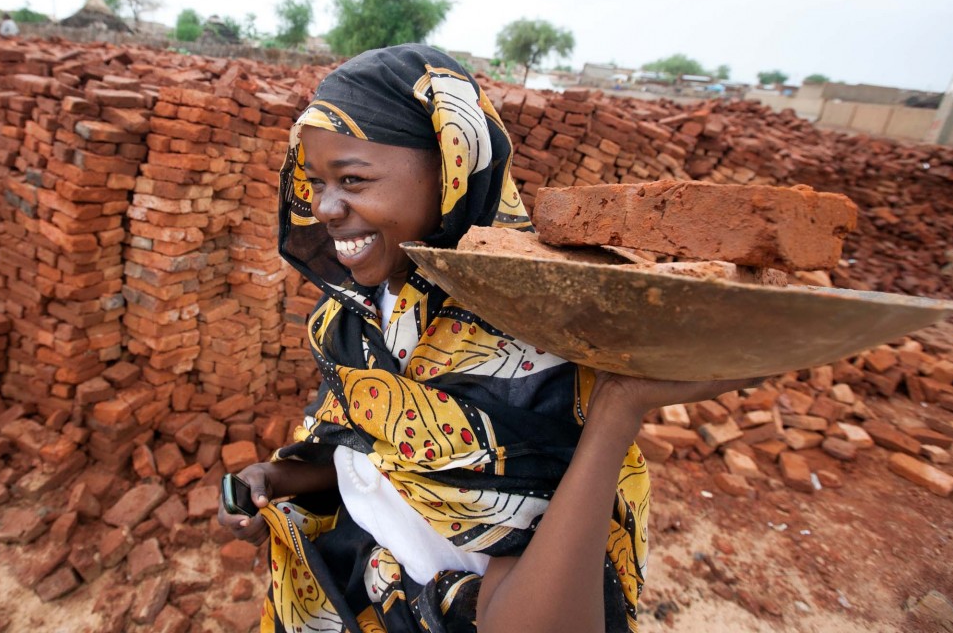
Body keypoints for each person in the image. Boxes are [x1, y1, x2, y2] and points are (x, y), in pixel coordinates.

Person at [218, 44, 757, 633]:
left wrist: (617, 409)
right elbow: (373, 451)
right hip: (353, 593)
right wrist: (278, 479)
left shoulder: (539, 340)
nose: (324, 207)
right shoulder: (347, 318)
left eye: (353, 179)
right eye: (316, 181)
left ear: (452, 171)